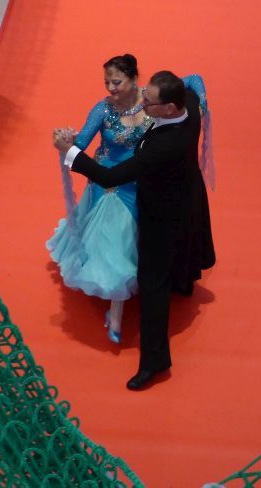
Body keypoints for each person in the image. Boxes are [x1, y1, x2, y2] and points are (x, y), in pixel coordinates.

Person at [53, 71, 216, 391]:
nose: (141, 104)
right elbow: (194, 78)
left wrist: (69, 152)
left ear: (169, 108)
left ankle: (155, 361)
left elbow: (109, 177)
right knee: (186, 245)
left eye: (148, 102)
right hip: (189, 195)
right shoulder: (190, 104)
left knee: (153, 285)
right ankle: (184, 283)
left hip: (163, 215)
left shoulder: (163, 146)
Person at [47, 54, 152, 344]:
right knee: (116, 242)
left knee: (130, 237)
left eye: (116, 82)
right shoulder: (102, 109)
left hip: (138, 182)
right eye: (107, 82)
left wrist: (200, 102)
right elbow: (81, 144)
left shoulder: (151, 101)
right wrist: (67, 141)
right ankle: (116, 313)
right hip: (106, 185)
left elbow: (191, 81)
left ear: (134, 79)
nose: (110, 88)